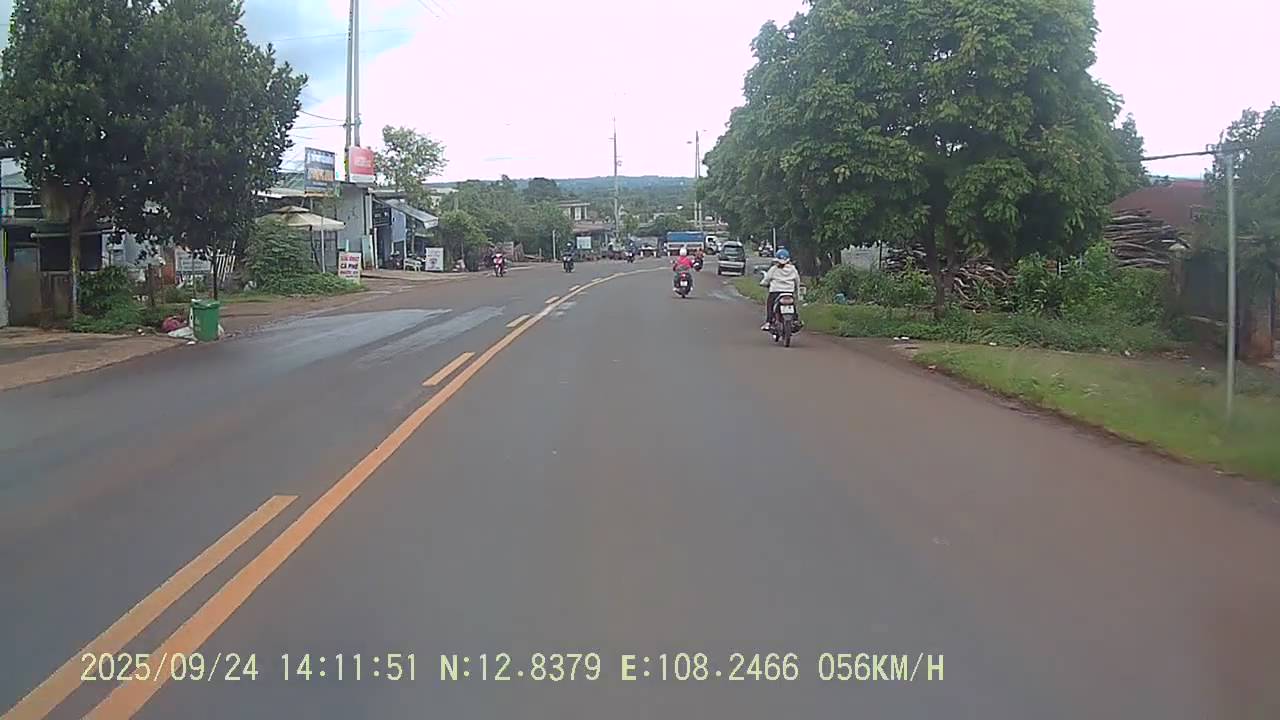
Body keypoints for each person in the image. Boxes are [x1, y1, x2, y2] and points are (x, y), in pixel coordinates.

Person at [760, 248, 800, 331]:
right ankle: (795, 319)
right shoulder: (792, 269)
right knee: (793, 304)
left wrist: (763, 283)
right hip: (789, 292)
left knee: (770, 304)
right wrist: (797, 290)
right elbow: (797, 280)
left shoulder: (774, 269)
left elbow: (766, 280)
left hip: (775, 292)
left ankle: (769, 322)